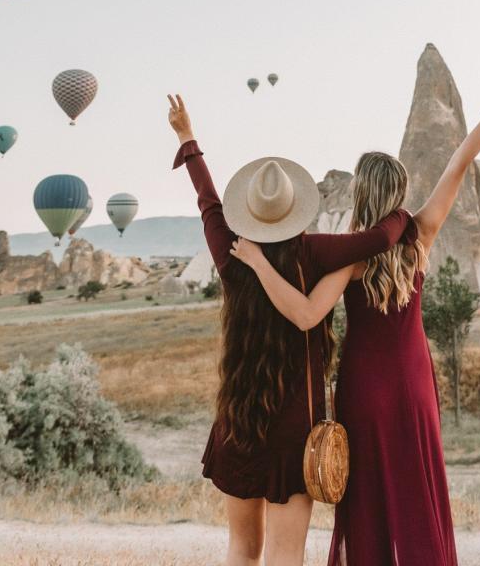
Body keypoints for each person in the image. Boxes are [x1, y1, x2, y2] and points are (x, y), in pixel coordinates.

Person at [230, 72, 480, 565]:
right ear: (398, 192)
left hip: (364, 386)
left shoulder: (351, 257)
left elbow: (307, 316)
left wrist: (259, 262)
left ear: (361, 195)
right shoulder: (420, 235)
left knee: (367, 500)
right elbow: (459, 163)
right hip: (413, 381)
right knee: (418, 492)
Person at [167, 93, 413, 566]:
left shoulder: (231, 251)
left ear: (250, 213)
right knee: (286, 552)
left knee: (243, 548)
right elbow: (384, 237)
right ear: (296, 209)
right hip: (293, 427)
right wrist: (408, 215)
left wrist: (187, 138)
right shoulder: (315, 252)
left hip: (239, 417)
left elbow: (207, 202)